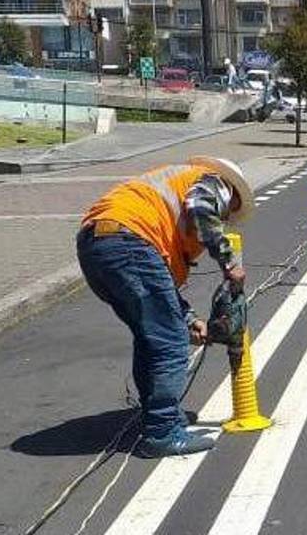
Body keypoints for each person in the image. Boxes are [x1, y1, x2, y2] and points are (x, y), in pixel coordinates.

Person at [77, 156, 253, 457]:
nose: (224, 218)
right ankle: (161, 432)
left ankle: (158, 416)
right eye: (228, 212)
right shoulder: (214, 181)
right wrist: (228, 261)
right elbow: (200, 207)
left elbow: (159, 287)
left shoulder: (165, 194)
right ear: (233, 193)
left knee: (153, 336)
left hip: (96, 245)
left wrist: (187, 318)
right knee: (169, 343)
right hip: (129, 240)